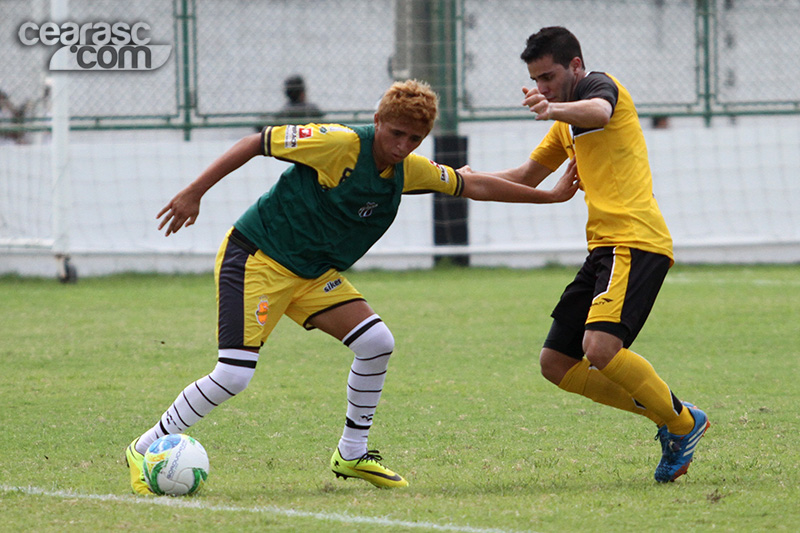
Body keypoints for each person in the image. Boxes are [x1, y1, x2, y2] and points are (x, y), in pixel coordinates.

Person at [126, 79, 580, 494]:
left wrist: (552, 196)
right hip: (258, 257)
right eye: (395, 133)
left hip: (311, 274)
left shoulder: (408, 169)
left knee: (377, 342)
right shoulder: (338, 143)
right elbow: (254, 143)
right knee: (233, 374)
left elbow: (473, 184)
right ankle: (144, 448)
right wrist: (194, 192)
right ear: (378, 120)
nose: (402, 146)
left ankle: (351, 453)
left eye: (414, 139)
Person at [460, 27, 709, 483]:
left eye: (549, 77)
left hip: (634, 240)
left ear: (575, 65)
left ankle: (679, 423)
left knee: (600, 348)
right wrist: (462, 182)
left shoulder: (599, 87)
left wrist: (553, 107)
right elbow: (527, 176)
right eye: (536, 81)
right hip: (603, 249)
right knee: (556, 363)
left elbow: (599, 110)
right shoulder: (563, 122)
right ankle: (675, 415)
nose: (542, 89)